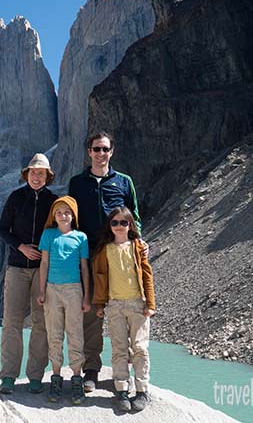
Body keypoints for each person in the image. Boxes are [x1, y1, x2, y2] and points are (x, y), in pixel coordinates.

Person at [68, 132, 143, 392]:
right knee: (90, 311)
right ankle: (91, 369)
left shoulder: (124, 182)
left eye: (105, 149)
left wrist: (137, 243)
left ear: (112, 152)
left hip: (119, 254)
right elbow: (72, 219)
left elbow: (134, 215)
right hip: (89, 255)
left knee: (127, 308)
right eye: (96, 149)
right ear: (89, 152)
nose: (101, 154)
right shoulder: (77, 183)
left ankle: (127, 371)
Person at [0, 153, 58, 394]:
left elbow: (60, 231)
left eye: (41, 173)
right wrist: (20, 247)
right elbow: (3, 230)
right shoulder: (15, 197)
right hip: (17, 268)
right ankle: (9, 376)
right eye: (33, 172)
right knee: (11, 322)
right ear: (26, 175)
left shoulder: (53, 202)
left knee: (41, 323)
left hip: (43, 271)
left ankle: (35, 376)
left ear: (47, 176)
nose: (36, 176)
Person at [92, 206, 155, 412]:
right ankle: (121, 389)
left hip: (137, 303)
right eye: (115, 223)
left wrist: (150, 304)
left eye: (123, 222)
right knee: (119, 349)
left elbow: (147, 274)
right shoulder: (104, 249)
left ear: (130, 225)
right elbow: (100, 278)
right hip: (115, 304)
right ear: (110, 226)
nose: (119, 226)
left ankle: (142, 390)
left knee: (140, 347)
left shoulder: (138, 246)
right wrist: (100, 304)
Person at [35, 196, 91, 405]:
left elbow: (85, 268)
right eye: (59, 212)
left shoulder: (81, 237)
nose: (63, 215)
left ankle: (77, 377)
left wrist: (86, 295)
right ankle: (56, 377)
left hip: (74, 290)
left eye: (67, 212)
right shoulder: (48, 235)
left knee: (75, 333)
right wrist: (42, 291)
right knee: (54, 333)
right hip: (52, 290)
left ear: (73, 215)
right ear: (54, 216)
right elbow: (44, 263)